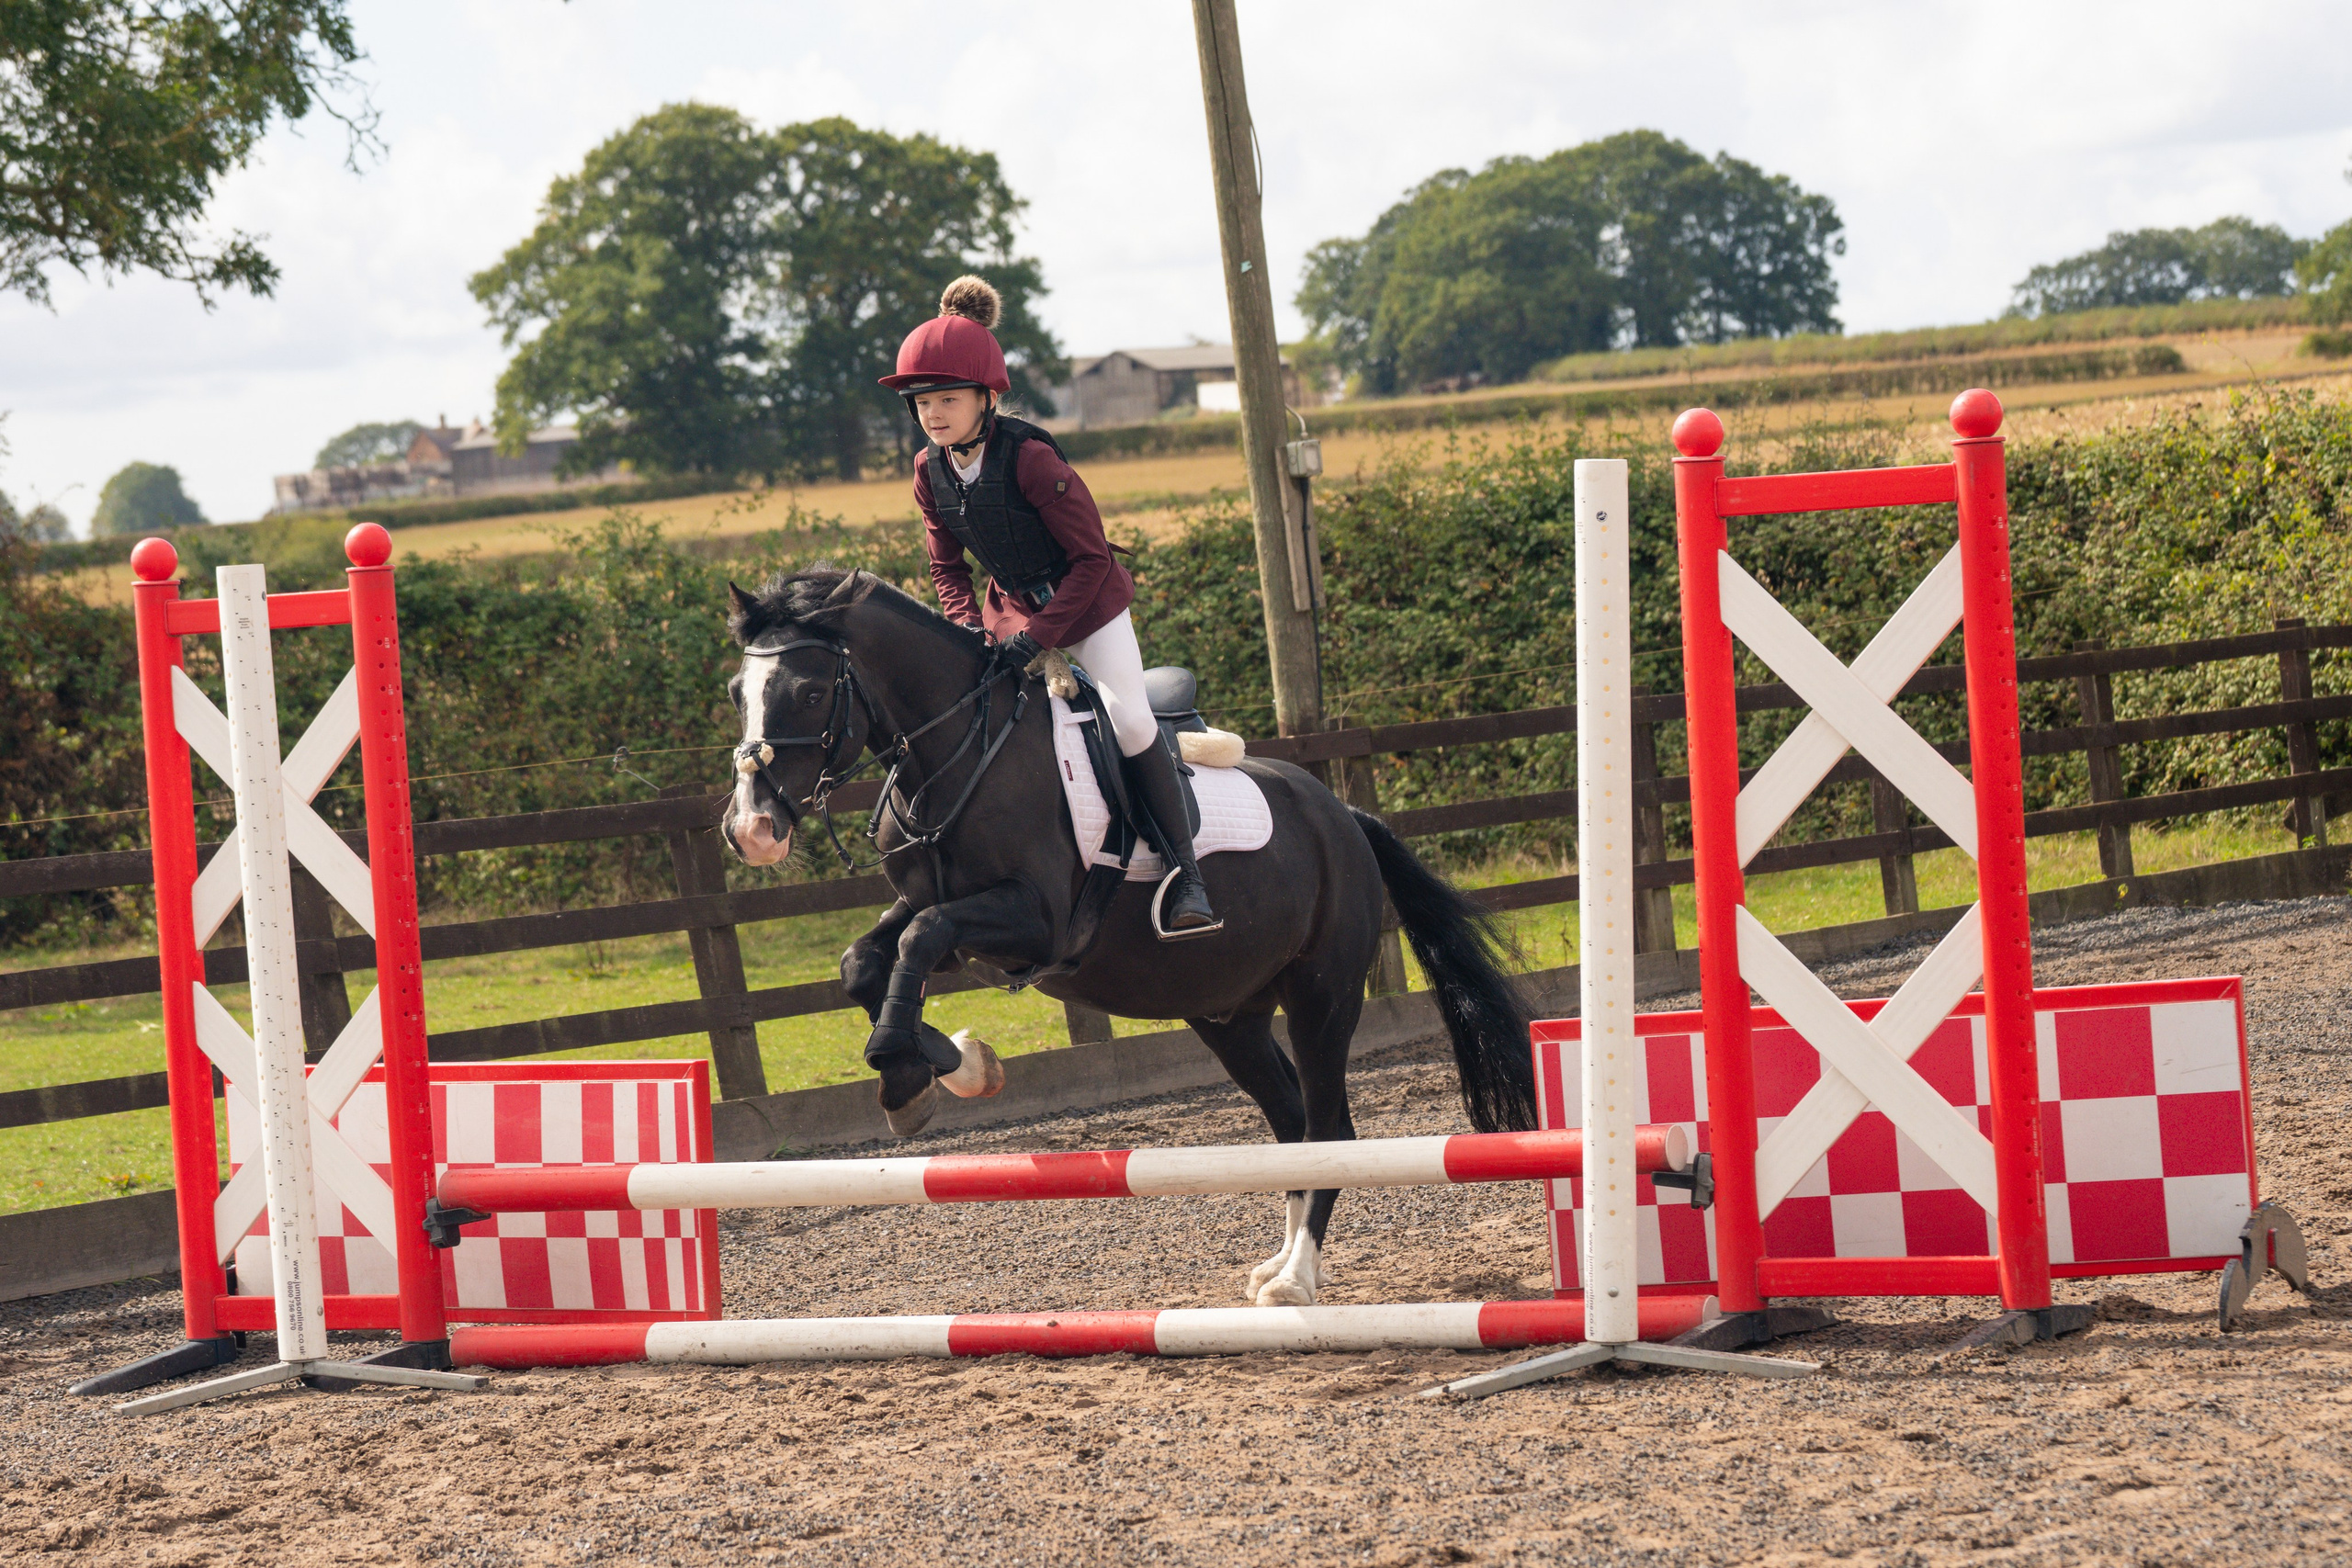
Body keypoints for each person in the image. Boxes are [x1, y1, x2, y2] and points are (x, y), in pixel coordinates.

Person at [880, 276, 1221, 939]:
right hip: (1008, 614)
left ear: (987, 397)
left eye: (948, 399)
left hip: (1088, 608)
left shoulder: (1032, 459)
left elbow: (1093, 561)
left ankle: (1188, 875)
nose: (934, 415)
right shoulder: (930, 472)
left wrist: (1038, 638)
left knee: (1127, 720)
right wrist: (967, 629)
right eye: (923, 404)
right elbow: (945, 567)